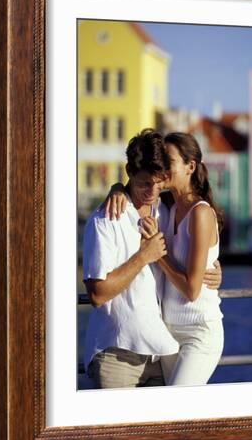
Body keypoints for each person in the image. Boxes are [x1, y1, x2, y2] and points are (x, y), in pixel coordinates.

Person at [83, 129, 221, 389]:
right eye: (145, 183)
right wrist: (145, 256)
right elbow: (98, 295)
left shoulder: (163, 209)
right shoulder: (106, 219)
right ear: (129, 172)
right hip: (118, 354)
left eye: (159, 182)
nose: (152, 191)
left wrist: (211, 267)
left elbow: (195, 263)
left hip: (161, 350)